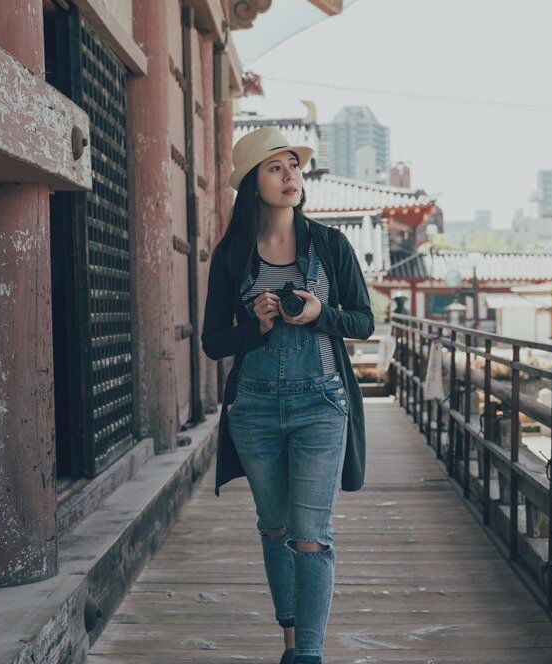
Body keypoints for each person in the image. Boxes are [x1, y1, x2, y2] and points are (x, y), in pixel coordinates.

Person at [201, 126, 375, 664]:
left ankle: (307, 655)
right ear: (254, 182)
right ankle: (290, 637)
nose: (290, 177)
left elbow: (364, 321)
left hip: (321, 404)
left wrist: (321, 314)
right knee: (275, 529)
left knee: (311, 535)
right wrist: (255, 324)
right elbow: (212, 342)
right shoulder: (230, 255)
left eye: (294, 167)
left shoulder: (330, 245)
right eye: (276, 168)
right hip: (252, 409)